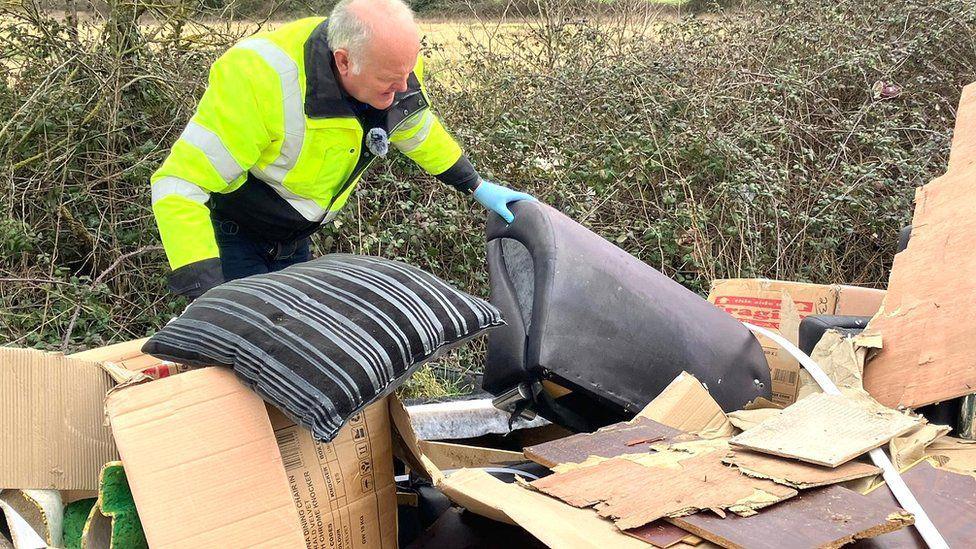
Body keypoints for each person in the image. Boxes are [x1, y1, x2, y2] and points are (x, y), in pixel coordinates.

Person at [149, 0, 534, 299]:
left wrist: (475, 184)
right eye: (390, 81)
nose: (403, 89)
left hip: (295, 240)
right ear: (344, 62)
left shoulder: (392, 69)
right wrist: (205, 289)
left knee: (292, 351)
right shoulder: (260, 77)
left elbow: (415, 130)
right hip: (233, 237)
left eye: (408, 74)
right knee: (243, 356)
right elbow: (178, 186)